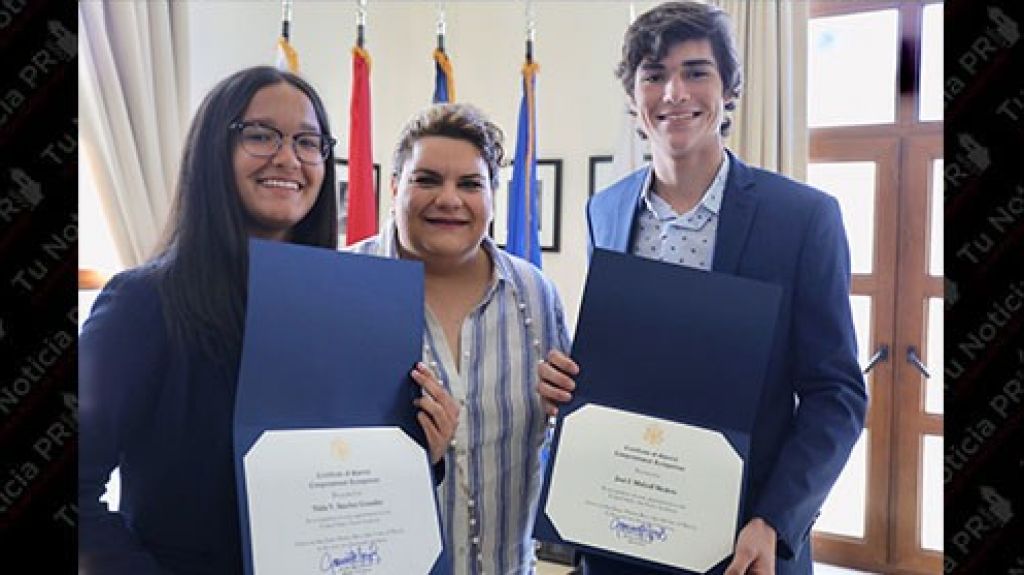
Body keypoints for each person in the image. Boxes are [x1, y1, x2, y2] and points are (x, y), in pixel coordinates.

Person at [79, 66, 457, 574]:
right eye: (260, 135)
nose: (288, 157)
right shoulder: (141, 303)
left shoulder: (351, 309)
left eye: (308, 141)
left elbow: (347, 475)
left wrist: (420, 455)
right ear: (214, 149)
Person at [538, 3, 868, 574]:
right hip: (620, 532)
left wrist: (776, 520)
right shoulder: (605, 211)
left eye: (695, 71)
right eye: (653, 74)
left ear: (729, 88)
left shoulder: (802, 217)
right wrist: (566, 382)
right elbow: (622, 363)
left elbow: (836, 396)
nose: (673, 92)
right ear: (633, 95)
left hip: (748, 542)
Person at [351, 102, 571, 575]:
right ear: (393, 189)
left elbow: (572, 428)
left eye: (470, 184)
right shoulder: (341, 287)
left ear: (493, 195)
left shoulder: (536, 295)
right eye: (427, 180)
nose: (449, 199)